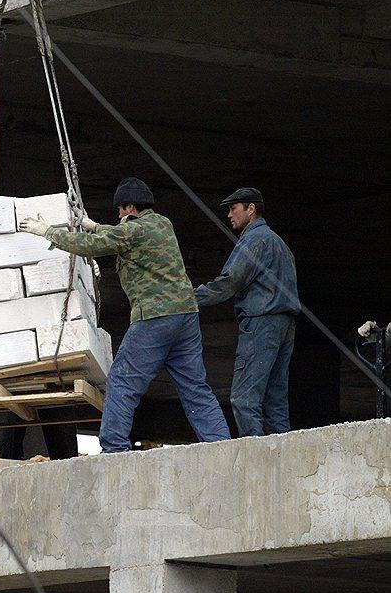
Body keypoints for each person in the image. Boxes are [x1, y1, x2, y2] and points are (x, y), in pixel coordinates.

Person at [19, 177, 230, 452]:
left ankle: (114, 448)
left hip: (154, 316)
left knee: (122, 380)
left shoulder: (131, 231)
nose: (118, 216)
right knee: (194, 387)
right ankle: (221, 445)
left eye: (120, 210)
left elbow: (94, 246)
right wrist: (96, 227)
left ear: (129, 207)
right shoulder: (162, 224)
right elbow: (125, 234)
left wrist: (48, 232)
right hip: (186, 316)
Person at [195, 188, 299, 436]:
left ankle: (259, 466)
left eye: (234, 208)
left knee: (244, 399)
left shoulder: (255, 240)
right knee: (275, 404)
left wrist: (188, 297)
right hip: (284, 325)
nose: (229, 215)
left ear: (250, 209)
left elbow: (230, 281)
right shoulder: (279, 243)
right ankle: (280, 465)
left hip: (261, 323)